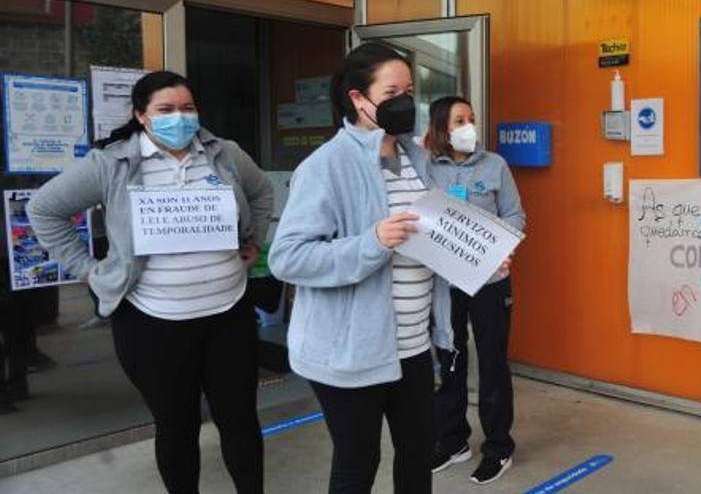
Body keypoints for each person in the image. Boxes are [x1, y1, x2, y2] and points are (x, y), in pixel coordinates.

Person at [27, 71, 272, 493]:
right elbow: (44, 209)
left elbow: (262, 191)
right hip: (153, 324)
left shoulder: (224, 154)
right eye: (166, 110)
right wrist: (90, 270)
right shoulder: (112, 164)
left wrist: (252, 241)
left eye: (188, 108)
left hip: (228, 315)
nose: (180, 117)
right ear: (142, 115)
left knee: (240, 420)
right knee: (176, 426)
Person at [269, 43, 454, 494]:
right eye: (392, 91)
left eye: (409, 90)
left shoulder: (418, 159)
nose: (404, 101)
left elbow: (436, 240)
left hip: (412, 346)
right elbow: (288, 257)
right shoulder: (325, 166)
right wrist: (370, 242)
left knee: (417, 454)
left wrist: (483, 262)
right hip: (351, 352)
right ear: (357, 99)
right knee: (358, 462)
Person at [424, 96, 526, 485]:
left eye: (471, 118)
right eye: (458, 120)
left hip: (490, 281)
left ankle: (498, 447)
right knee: (448, 360)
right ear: (441, 129)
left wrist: (502, 247)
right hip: (445, 282)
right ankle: (452, 441)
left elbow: (515, 214)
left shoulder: (495, 165)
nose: (468, 125)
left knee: (493, 362)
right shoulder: (427, 168)